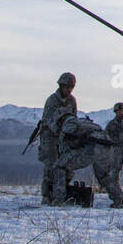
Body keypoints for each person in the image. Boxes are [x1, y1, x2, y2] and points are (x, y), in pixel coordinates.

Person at [55, 113, 123, 208]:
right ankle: (120, 201)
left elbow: (66, 148)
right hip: (106, 147)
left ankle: (59, 200)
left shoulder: (68, 123)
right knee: (104, 176)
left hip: (92, 148)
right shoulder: (85, 121)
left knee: (59, 166)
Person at [39, 73, 78, 205]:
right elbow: (50, 122)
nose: (69, 90)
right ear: (61, 86)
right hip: (49, 136)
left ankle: (61, 193)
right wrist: (61, 132)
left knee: (66, 166)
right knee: (51, 165)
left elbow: (73, 119)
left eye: (71, 87)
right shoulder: (52, 100)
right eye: (67, 87)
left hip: (64, 137)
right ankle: (47, 196)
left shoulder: (72, 101)